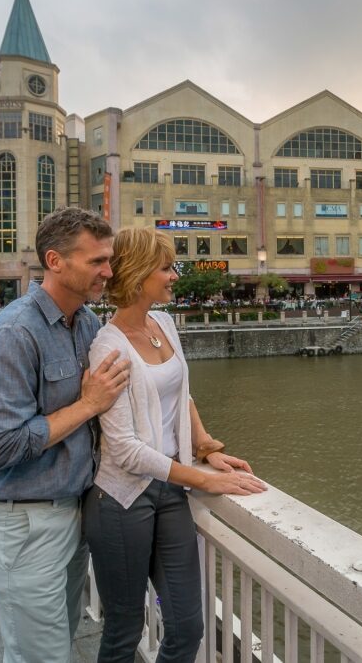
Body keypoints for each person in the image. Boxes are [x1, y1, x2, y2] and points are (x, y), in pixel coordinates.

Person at [84, 226, 265, 663]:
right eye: (166, 268)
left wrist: (205, 447)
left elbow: (180, 393)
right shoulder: (108, 347)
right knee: (124, 629)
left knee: (187, 626)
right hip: (122, 498)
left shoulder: (162, 323)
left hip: (170, 489)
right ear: (140, 273)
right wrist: (206, 482)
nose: (173, 276)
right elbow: (124, 448)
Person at [0, 208, 130, 663]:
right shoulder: (14, 333)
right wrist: (86, 406)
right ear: (55, 261)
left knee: (56, 642)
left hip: (73, 513)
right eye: (97, 261)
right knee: (41, 656)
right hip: (24, 524)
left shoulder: (88, 324)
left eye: (109, 260)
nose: (109, 271)